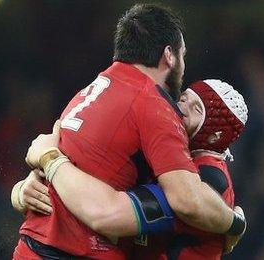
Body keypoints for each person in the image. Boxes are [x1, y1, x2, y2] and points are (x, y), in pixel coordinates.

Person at [13, 4, 244, 259]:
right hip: (72, 250)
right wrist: (235, 223)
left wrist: (29, 182)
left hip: (32, 245)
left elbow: (57, 152)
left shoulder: (90, 91)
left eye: (196, 108)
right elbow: (187, 201)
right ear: (169, 55)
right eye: (183, 55)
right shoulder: (153, 106)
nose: (182, 105)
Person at [13, 79, 248, 259]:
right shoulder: (170, 152)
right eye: (184, 98)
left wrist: (50, 159)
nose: (181, 107)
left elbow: (105, 210)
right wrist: (24, 188)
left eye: (196, 108)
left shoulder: (205, 179)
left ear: (215, 134)